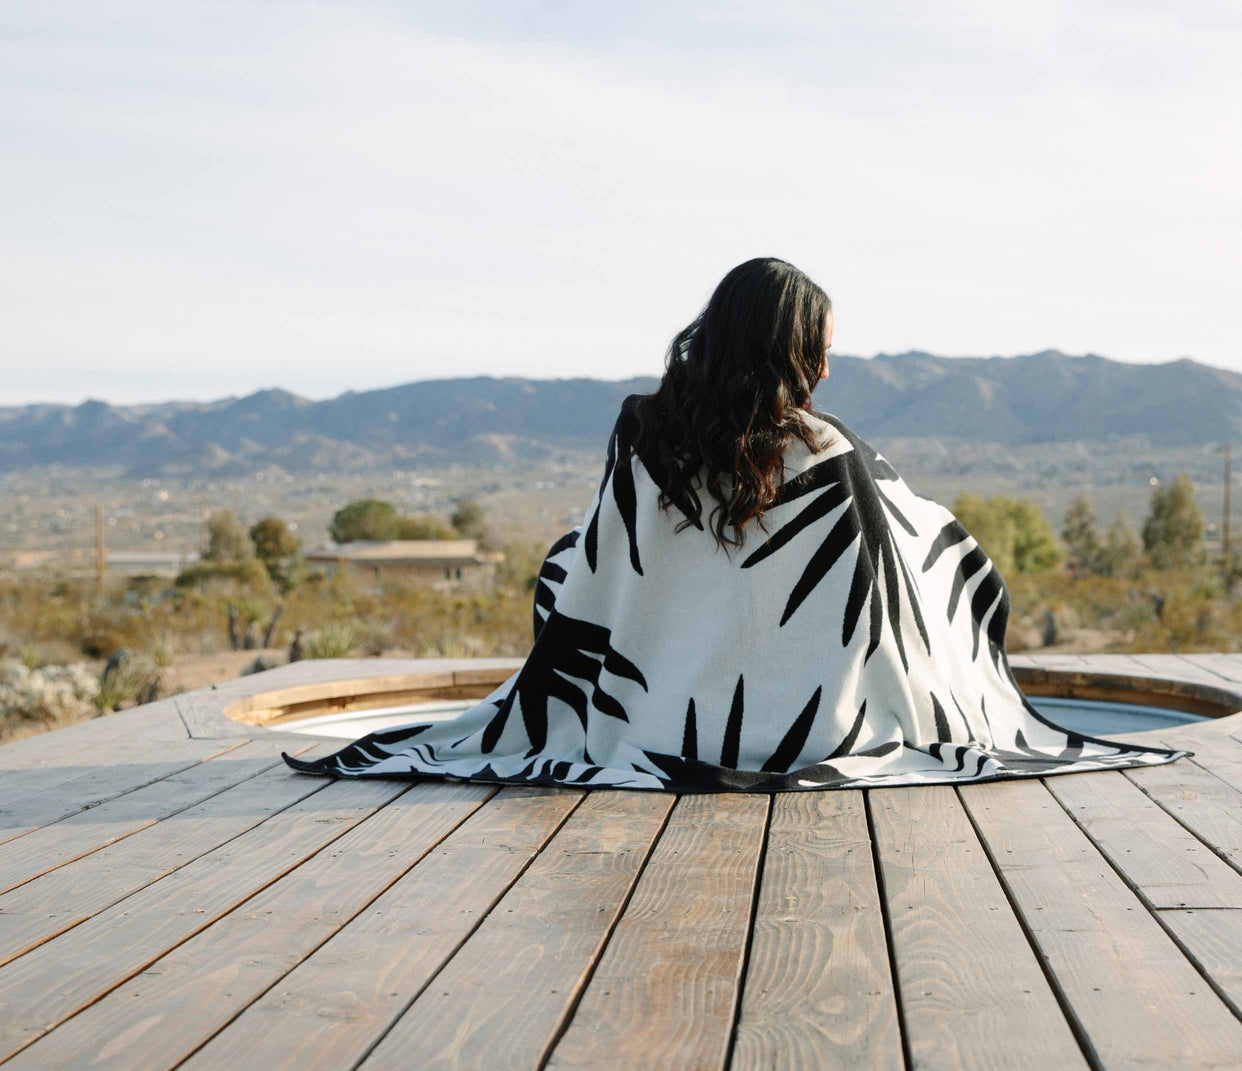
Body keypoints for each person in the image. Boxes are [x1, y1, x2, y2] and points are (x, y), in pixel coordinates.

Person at [283, 257, 1190, 790]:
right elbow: (926, 564)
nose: (828, 371)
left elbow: (601, 572)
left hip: (650, 724)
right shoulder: (833, 458)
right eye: (820, 351)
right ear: (790, 353)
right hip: (821, 734)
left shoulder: (647, 435)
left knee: (564, 562)